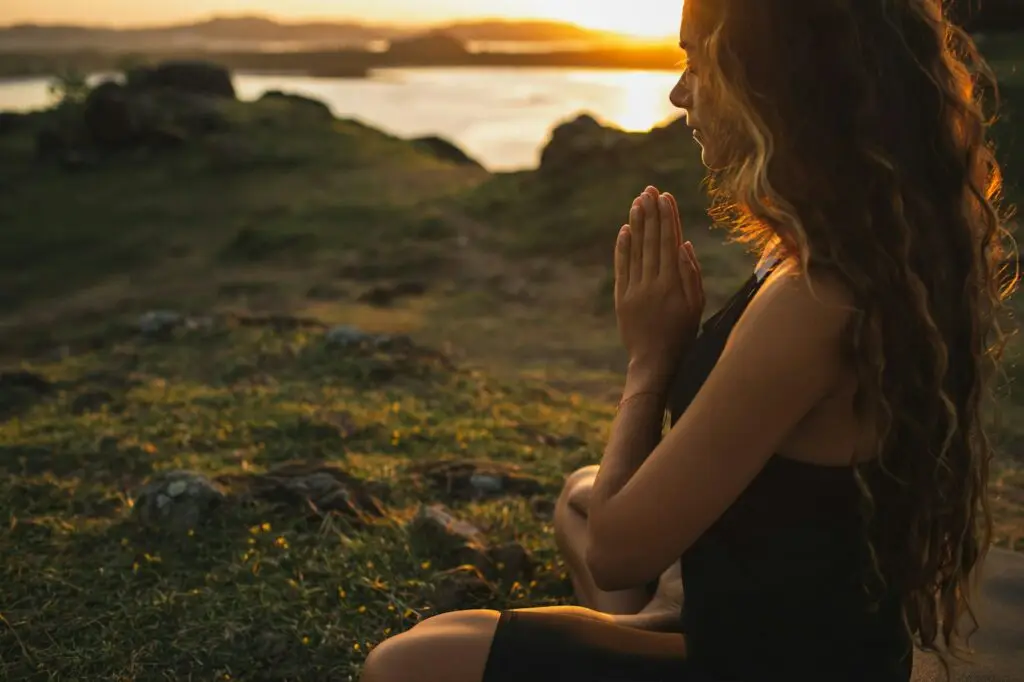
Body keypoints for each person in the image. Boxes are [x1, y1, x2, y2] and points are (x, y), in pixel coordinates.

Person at [359, 0, 1015, 680]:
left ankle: (638, 629)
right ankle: (643, 623)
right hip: (797, 621)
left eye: (699, 62)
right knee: (581, 496)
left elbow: (617, 554)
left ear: (777, 80)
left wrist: (650, 358)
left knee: (409, 661)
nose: (678, 92)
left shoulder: (814, 301)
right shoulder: (844, 252)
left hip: (773, 662)